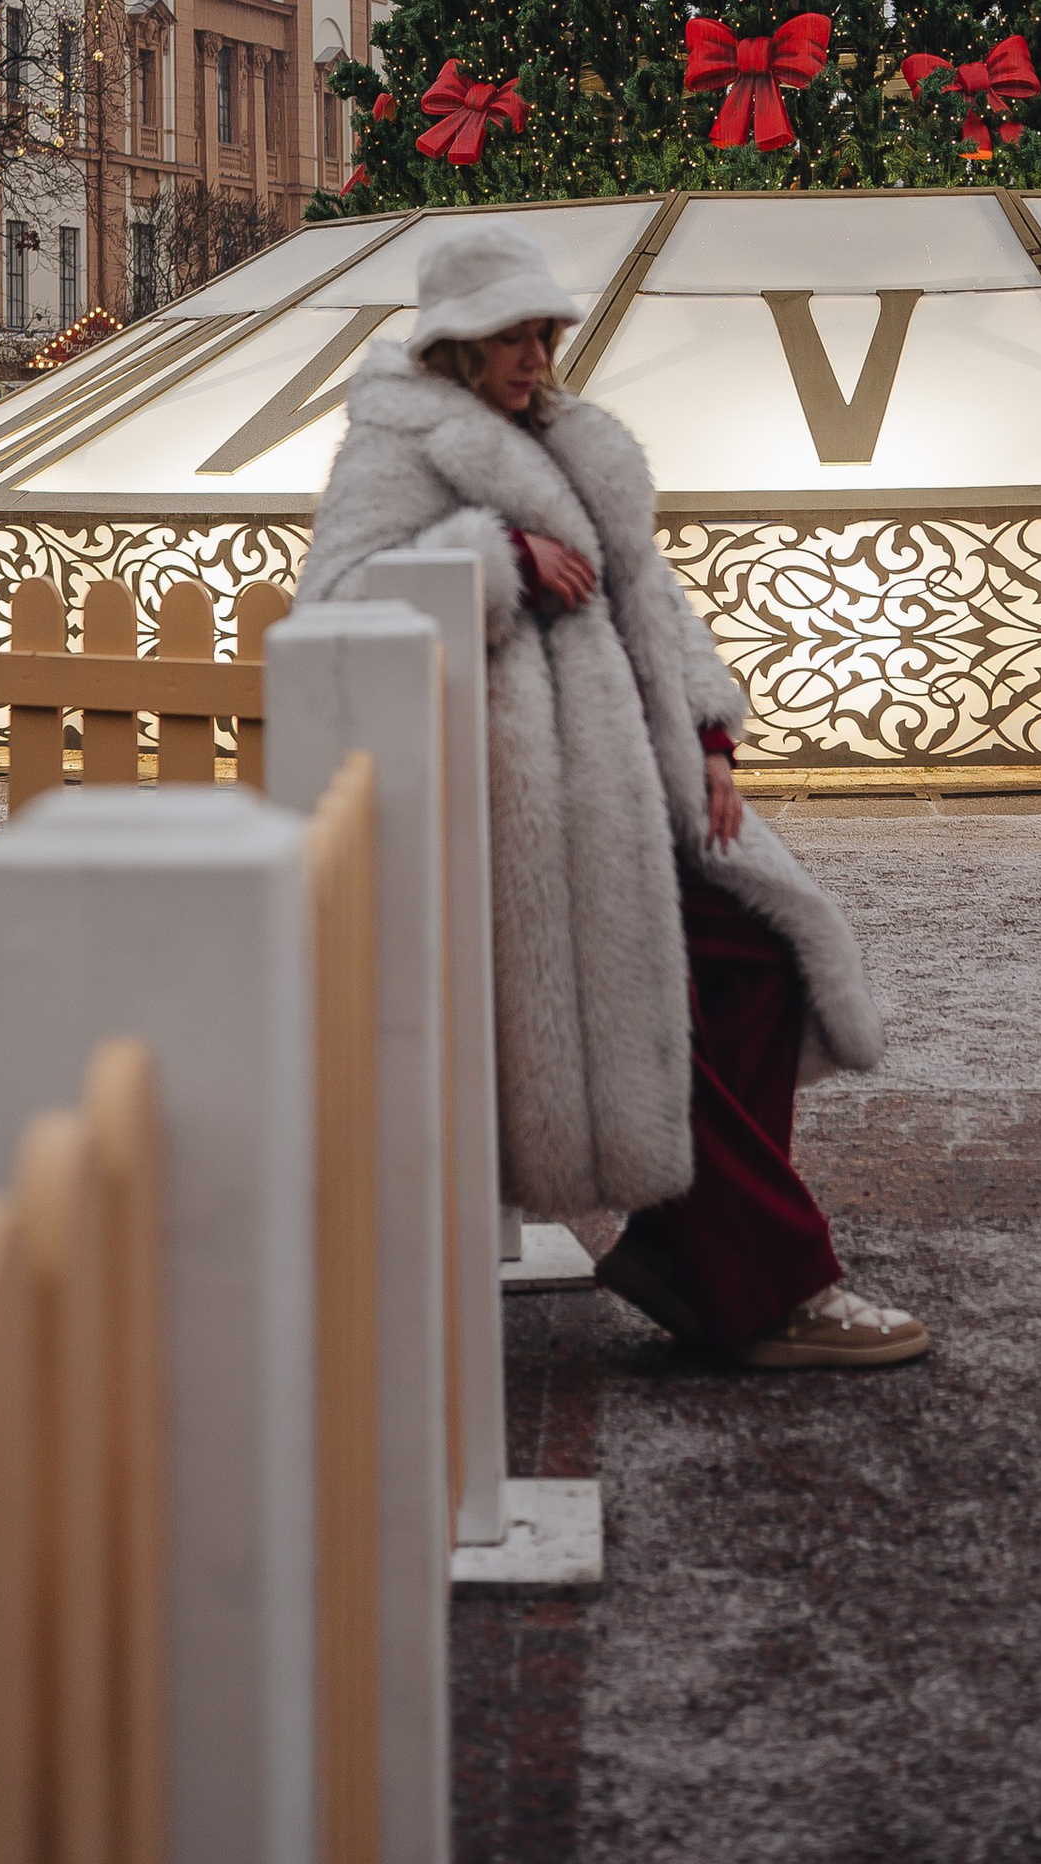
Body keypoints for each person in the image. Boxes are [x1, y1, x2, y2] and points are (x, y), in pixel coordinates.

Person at [297, 217, 926, 1371]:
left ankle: (690, 1251)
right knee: (650, 1018)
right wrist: (492, 559)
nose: (536, 357)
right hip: (520, 822)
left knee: (761, 963)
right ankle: (773, 1280)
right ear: (456, 346)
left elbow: (654, 600)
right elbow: (332, 605)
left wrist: (710, 735)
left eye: (543, 333)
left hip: (633, 798)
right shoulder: (398, 446)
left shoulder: (574, 439)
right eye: (513, 338)